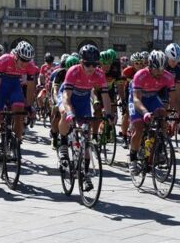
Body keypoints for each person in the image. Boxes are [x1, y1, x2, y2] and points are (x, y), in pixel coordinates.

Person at [57, 45, 112, 189]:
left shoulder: (99, 74)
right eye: (87, 64)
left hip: (83, 99)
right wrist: (69, 112)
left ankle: (85, 173)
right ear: (81, 62)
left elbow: (105, 96)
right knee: (65, 114)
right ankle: (63, 143)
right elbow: (66, 97)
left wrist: (109, 113)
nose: (91, 68)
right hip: (68, 96)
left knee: (85, 139)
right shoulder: (73, 71)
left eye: (95, 64)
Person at [127, 50, 177, 175]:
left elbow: (175, 98)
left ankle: (159, 149)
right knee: (139, 128)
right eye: (157, 69)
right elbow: (136, 99)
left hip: (152, 97)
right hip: (138, 99)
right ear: (149, 66)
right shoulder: (140, 75)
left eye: (162, 69)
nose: (160, 72)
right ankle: (132, 159)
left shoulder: (167, 76)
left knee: (162, 116)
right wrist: (145, 113)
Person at [0, 41, 37, 163]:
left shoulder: (30, 65)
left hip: (15, 86)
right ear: (16, 56)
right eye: (23, 60)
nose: (25, 63)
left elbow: (30, 88)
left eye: (28, 60)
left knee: (20, 113)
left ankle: (16, 143)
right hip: (1, 87)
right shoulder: (3, 60)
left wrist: (29, 106)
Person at [120, 52, 145, 148]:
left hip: (139, 94)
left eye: (141, 63)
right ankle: (124, 137)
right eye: (136, 63)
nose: (139, 65)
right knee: (126, 114)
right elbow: (121, 85)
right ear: (133, 63)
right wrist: (122, 99)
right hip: (128, 93)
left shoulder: (144, 71)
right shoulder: (127, 71)